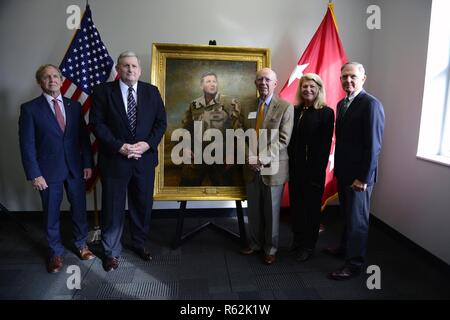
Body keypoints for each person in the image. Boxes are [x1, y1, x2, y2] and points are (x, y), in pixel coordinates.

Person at [90, 51, 167, 272]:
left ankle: (139, 243)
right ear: (118, 69)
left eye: (134, 66)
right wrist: (119, 146)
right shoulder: (103, 91)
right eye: (125, 66)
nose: (130, 69)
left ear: (139, 70)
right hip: (115, 159)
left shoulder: (151, 92)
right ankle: (111, 252)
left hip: (144, 159)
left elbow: (161, 123)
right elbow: (97, 123)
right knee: (113, 207)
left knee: (142, 205)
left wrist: (147, 144)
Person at [19, 64, 95, 273]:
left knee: (79, 208)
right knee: (51, 213)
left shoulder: (74, 106)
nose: (52, 80)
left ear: (61, 81)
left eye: (55, 76)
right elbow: (27, 145)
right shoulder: (30, 109)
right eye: (46, 77)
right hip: (47, 172)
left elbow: (83, 139)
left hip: (75, 168)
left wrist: (88, 163)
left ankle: (81, 244)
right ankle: (55, 253)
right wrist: (35, 174)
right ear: (39, 82)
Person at [326, 62, 385, 280]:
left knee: (358, 221)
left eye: (352, 76)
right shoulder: (342, 104)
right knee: (347, 215)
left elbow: (374, 146)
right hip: (344, 173)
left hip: (360, 178)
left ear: (363, 79)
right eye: (344, 77)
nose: (347, 80)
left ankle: (353, 264)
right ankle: (343, 248)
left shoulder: (371, 104)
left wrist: (364, 178)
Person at [236, 67, 294, 265]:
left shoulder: (286, 107)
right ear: (255, 83)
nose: (263, 83)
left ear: (275, 83)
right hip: (250, 167)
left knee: (271, 212)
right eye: (260, 79)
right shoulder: (246, 106)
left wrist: (262, 158)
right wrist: (249, 157)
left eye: (267, 80)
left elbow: (284, 139)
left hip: (273, 168)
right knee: (253, 210)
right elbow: (239, 135)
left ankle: (270, 248)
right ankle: (255, 244)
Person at [287, 73, 334, 262]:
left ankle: (308, 245)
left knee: (311, 210)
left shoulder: (326, 112)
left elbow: (324, 147)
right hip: (294, 169)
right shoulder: (294, 110)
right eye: (305, 86)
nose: (308, 90)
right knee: (297, 208)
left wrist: (317, 174)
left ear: (319, 89)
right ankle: (297, 240)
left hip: (313, 172)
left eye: (312, 87)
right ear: (300, 89)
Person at [180, 72, 239, 186]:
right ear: (201, 86)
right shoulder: (194, 104)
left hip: (221, 155)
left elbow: (237, 129)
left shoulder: (228, 103)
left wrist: (232, 153)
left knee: (224, 187)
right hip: (197, 154)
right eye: (208, 81)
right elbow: (185, 128)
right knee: (187, 186)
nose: (212, 84)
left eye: (214, 81)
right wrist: (186, 147)